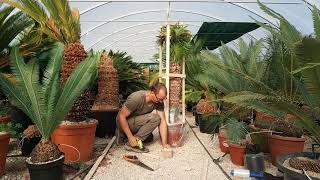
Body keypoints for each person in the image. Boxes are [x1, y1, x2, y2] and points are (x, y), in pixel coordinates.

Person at [116, 82, 169, 153]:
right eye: (159, 99)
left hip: (136, 122)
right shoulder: (136, 98)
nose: (161, 101)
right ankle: (131, 142)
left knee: (150, 138)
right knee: (155, 118)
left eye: (163, 99)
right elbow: (121, 116)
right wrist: (130, 137)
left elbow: (163, 121)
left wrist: (164, 143)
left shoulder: (159, 102)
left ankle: (130, 138)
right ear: (152, 92)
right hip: (123, 122)